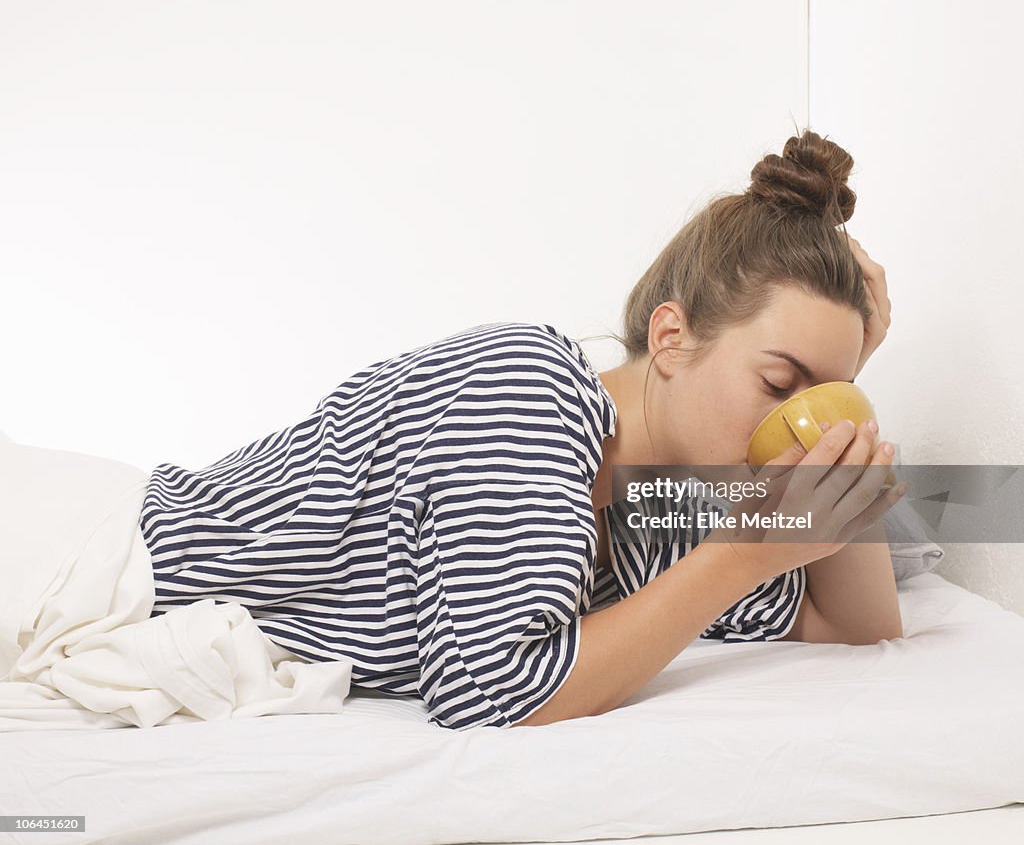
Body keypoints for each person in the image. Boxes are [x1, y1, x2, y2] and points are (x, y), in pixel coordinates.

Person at [138, 128, 906, 732]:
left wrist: (840, 410)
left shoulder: (674, 510)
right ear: (671, 338)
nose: (792, 419)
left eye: (822, 389)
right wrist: (739, 557)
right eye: (778, 383)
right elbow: (490, 692)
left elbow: (854, 628)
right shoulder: (528, 388)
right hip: (101, 567)